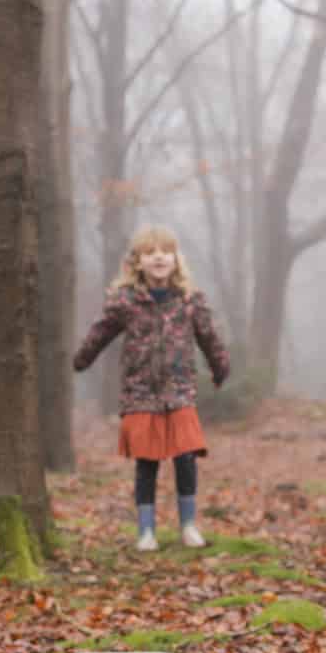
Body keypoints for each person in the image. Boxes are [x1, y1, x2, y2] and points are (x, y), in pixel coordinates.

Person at [72, 224, 231, 551]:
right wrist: (82, 359)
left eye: (165, 251)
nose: (159, 257)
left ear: (175, 259)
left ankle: (188, 525)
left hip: (179, 390)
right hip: (140, 393)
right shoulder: (126, 302)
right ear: (138, 262)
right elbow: (100, 333)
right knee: (147, 462)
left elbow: (210, 338)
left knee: (185, 457)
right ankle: (146, 531)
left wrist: (220, 369)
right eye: (150, 252)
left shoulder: (189, 301)